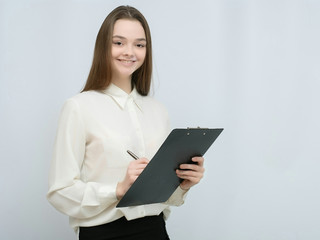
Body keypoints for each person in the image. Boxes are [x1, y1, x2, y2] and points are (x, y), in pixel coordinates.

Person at [46, 5, 205, 240]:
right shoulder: (78, 107)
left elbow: (162, 195)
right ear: (103, 46)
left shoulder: (157, 111)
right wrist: (117, 190)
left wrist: (183, 184)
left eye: (139, 45)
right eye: (119, 42)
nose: (129, 52)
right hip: (104, 233)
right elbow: (60, 192)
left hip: (155, 231)